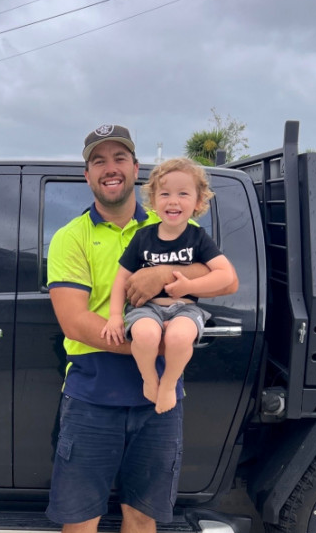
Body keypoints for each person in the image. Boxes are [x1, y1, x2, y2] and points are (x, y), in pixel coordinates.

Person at [32, 125, 238, 533]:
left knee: (143, 513)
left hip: (159, 399)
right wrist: (147, 339)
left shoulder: (173, 223)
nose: (110, 167)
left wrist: (165, 274)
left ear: (134, 169)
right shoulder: (72, 237)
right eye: (99, 160)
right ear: (88, 175)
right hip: (92, 391)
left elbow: (218, 275)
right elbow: (75, 321)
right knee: (79, 515)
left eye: (119, 157)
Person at [101, 157, 236, 414]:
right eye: (165, 194)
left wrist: (189, 286)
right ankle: (149, 378)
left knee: (179, 337)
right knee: (145, 335)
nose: (173, 201)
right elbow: (121, 279)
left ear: (198, 202)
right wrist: (115, 316)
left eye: (183, 194)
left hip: (185, 309)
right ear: (153, 201)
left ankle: (169, 384)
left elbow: (226, 275)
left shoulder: (198, 237)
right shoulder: (142, 237)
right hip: (146, 308)